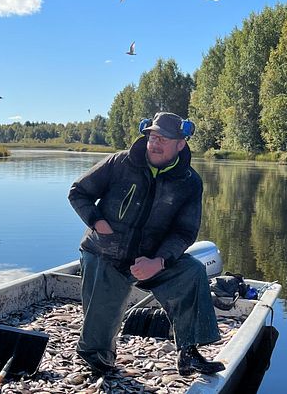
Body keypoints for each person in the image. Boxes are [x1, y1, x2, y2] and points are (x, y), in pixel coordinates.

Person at [68, 112, 225, 376]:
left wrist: (159, 261)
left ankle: (188, 353)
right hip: (104, 254)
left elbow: (184, 232)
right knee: (97, 350)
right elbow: (78, 192)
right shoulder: (119, 163)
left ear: (181, 144)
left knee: (192, 271)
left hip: (150, 258)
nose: (155, 142)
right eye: (152, 136)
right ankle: (97, 354)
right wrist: (97, 222)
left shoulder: (190, 182)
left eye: (164, 138)